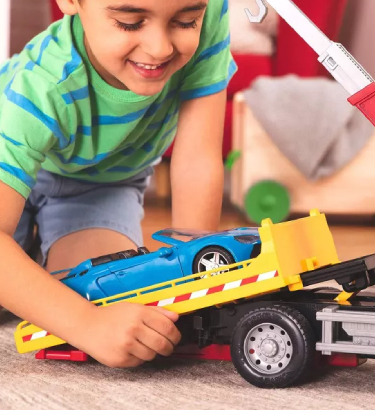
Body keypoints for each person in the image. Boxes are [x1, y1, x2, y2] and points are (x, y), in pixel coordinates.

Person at [0, 0, 234, 367]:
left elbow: (197, 158)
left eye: (185, 21)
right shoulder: (37, 87)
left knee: (114, 299)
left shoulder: (211, 13)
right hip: (11, 171)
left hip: (100, 185)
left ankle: (33, 253)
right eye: (129, 22)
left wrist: (196, 289)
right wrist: (87, 324)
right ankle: (25, 247)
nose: (160, 48)